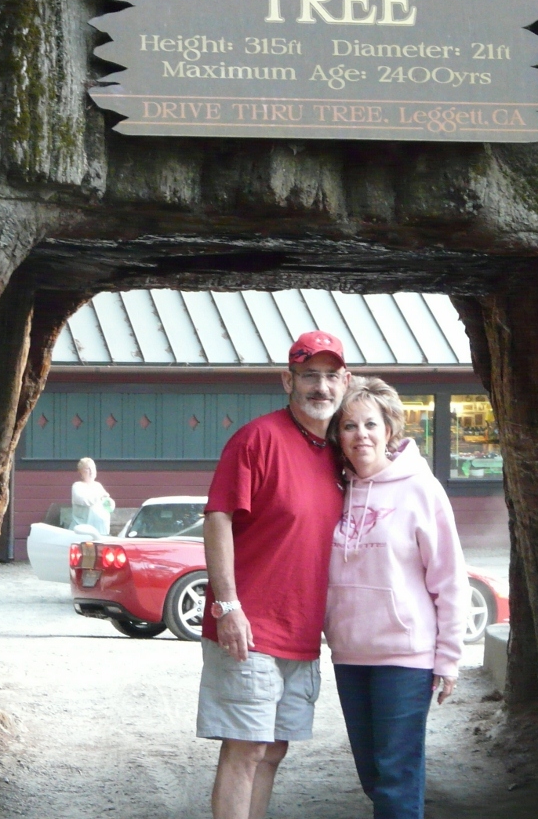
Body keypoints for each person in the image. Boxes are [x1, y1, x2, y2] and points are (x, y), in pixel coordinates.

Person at [198, 331, 351, 819]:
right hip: (249, 628)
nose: (320, 387)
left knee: (275, 749)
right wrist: (228, 607)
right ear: (288, 380)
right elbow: (218, 517)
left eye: (331, 376)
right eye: (309, 376)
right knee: (246, 748)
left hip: (301, 631)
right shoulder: (257, 438)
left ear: (345, 382)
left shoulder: (340, 453)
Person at [325, 377, 468, 819]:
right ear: (338, 436)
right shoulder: (333, 490)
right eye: (349, 426)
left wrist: (448, 656)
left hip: (406, 656)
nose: (361, 434)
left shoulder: (421, 490)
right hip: (349, 653)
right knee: (372, 775)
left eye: (371, 424)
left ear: (390, 430)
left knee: (395, 777)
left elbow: (449, 576)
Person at [70, 457, 114, 535]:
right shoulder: (77, 486)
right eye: (88, 469)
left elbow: (108, 507)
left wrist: (109, 502)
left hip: (101, 532)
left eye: (93, 468)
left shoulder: (98, 486)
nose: (91, 471)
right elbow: (84, 500)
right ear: (81, 472)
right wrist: (99, 495)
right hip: (83, 533)